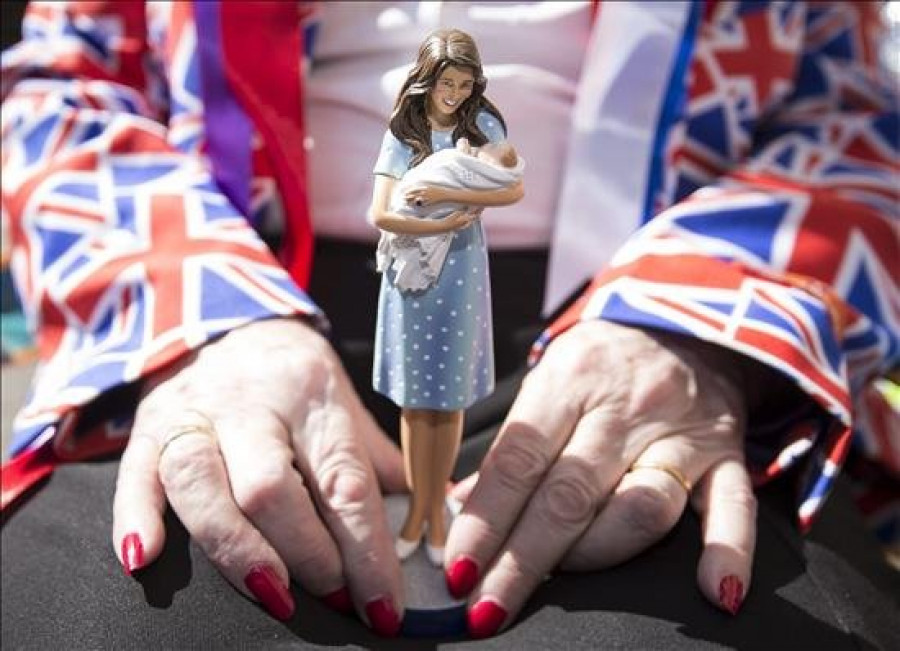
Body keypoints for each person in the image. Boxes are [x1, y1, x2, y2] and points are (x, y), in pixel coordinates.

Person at [1, 1, 897, 647]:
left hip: (656, 346)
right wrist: (199, 317)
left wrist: (701, 327)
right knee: (109, 616)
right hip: (233, 323)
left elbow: (855, 114)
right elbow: (62, 86)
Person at [370, 29, 524, 568]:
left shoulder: (482, 124)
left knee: (450, 395)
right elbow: (381, 214)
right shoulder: (403, 131)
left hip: (461, 266)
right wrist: (427, 211)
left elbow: (510, 188)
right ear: (426, 79)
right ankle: (420, 510)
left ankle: (438, 508)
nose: (454, 93)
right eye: (445, 83)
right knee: (417, 401)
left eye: (463, 84)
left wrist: (445, 194)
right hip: (411, 269)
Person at [375, 138, 523, 292]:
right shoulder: (400, 136)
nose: (481, 150)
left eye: (489, 151)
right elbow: (380, 216)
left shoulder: (485, 170)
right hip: (417, 201)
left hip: (462, 243)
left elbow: (513, 191)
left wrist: (446, 196)